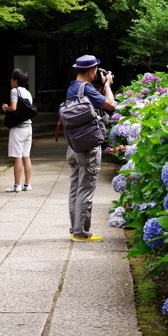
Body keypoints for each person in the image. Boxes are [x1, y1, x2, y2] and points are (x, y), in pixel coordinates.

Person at [66, 54, 115, 241]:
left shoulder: (72, 88)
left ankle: (74, 228)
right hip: (88, 147)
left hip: (73, 145)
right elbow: (110, 105)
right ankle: (81, 232)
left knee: (75, 188)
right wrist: (108, 86)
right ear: (91, 71)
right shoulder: (87, 88)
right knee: (86, 188)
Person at [1, 68, 34, 192]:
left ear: (15, 81)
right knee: (26, 156)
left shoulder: (14, 91)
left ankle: (16, 185)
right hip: (28, 127)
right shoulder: (28, 93)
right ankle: (27, 184)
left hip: (18, 129)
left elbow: (13, 108)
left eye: (12, 78)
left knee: (18, 157)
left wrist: (5, 108)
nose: (11, 81)